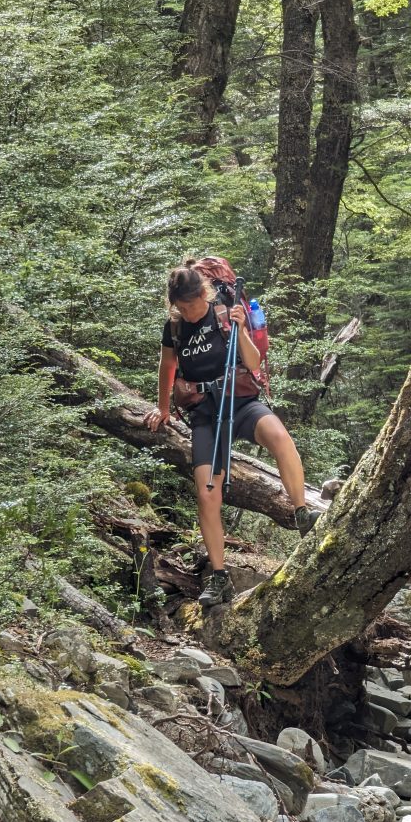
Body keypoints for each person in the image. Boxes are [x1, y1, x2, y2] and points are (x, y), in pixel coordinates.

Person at [144, 259, 320, 607]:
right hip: (205, 416)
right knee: (207, 493)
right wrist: (163, 408)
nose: (189, 313)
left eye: (192, 306)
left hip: (241, 403)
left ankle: (302, 513)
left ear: (204, 295)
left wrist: (239, 329)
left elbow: (253, 363)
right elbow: (168, 365)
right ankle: (220, 577)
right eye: (182, 308)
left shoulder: (225, 315)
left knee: (280, 437)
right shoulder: (174, 327)